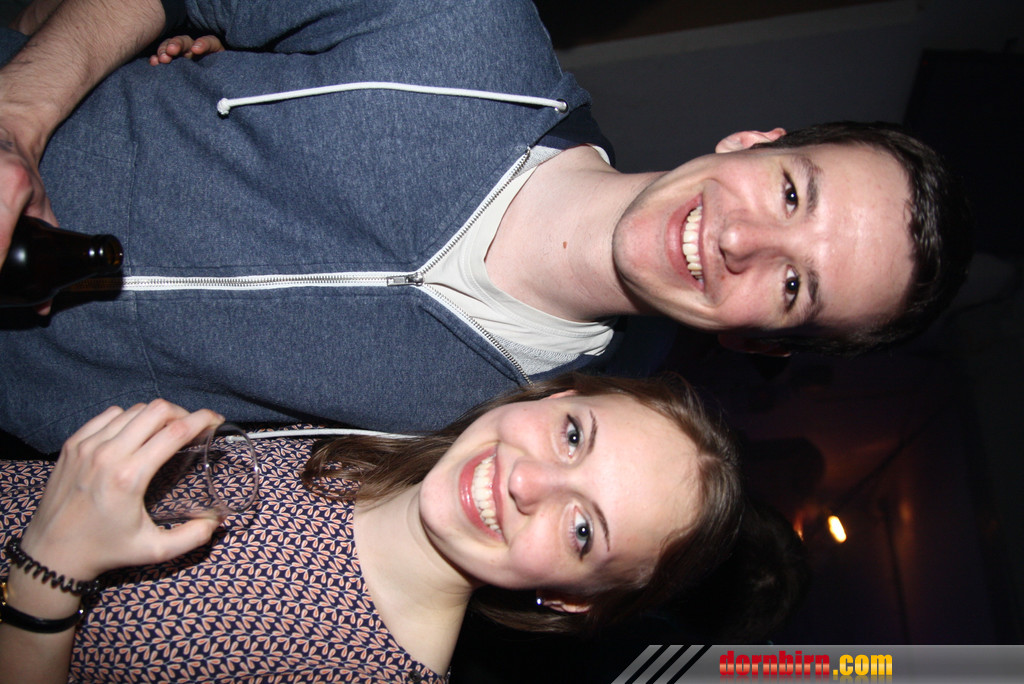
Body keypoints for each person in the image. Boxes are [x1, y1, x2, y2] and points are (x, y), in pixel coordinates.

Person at [0, 0, 973, 454]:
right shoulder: (464, 30)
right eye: (793, 195)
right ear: (755, 142)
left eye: (794, 286)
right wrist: (17, 123)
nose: (744, 243)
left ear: (760, 339)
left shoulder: (513, 450)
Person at [0, 372, 743, 682]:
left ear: (575, 598)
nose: (527, 482)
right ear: (555, 397)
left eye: (583, 530)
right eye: (573, 436)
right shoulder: (368, 441)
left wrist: (49, 573)